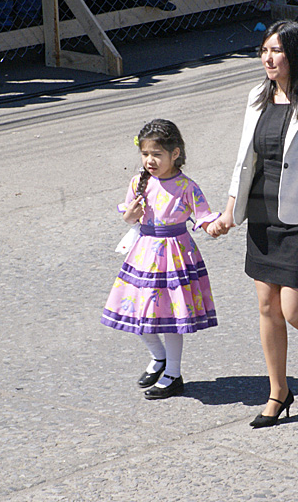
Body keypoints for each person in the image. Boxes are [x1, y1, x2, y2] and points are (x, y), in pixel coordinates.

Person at [211, 19, 298, 428]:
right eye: (264, 51)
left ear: (296, 55)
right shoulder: (258, 95)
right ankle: (278, 392)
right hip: (263, 213)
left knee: (293, 309)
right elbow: (245, 159)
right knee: (267, 307)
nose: (268, 59)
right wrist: (229, 211)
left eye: (276, 51)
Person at [101, 119, 220, 400]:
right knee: (135, 310)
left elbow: (203, 217)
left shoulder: (187, 186)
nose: (149, 160)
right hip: (143, 254)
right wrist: (131, 214)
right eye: (145, 154)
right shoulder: (138, 182)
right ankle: (158, 357)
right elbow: (129, 218)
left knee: (170, 317)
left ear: (175, 153)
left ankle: (173, 373)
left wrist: (214, 226)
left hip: (175, 256)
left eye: (157, 154)